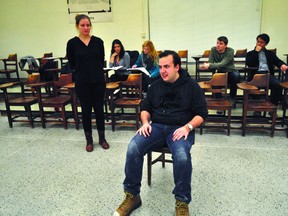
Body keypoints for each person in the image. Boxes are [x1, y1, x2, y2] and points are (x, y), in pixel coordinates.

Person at [114, 50, 208, 216]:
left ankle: (182, 201)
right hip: (156, 127)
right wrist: (144, 123)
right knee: (133, 147)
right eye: (161, 66)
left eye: (167, 66)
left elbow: (201, 114)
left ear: (177, 67)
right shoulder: (155, 85)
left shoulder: (191, 86)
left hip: (180, 128)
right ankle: (132, 195)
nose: (163, 70)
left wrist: (188, 127)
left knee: (182, 157)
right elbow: (145, 108)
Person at [66, 14, 109, 152]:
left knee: (99, 110)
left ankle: (102, 138)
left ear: (91, 25)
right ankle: (89, 140)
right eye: (82, 25)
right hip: (82, 82)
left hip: (98, 81)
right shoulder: (72, 43)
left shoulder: (98, 42)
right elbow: (72, 63)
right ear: (77, 26)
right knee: (85, 111)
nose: (86, 28)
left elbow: (100, 60)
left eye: (88, 25)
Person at [246, 33, 288, 109]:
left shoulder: (269, 54)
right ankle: (257, 109)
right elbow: (249, 63)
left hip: (267, 75)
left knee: (277, 85)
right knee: (255, 86)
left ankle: (272, 107)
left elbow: (277, 61)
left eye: (261, 42)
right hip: (255, 75)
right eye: (258, 41)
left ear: (266, 44)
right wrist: (256, 52)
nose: (259, 44)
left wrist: (282, 65)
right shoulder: (250, 53)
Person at [201, 36, 240, 109]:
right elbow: (210, 62)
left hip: (231, 71)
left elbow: (222, 64)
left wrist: (210, 65)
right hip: (220, 71)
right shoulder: (213, 49)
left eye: (221, 43)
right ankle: (218, 101)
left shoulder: (230, 51)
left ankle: (232, 98)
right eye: (217, 43)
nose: (218, 45)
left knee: (236, 76)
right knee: (216, 77)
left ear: (226, 45)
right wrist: (206, 66)